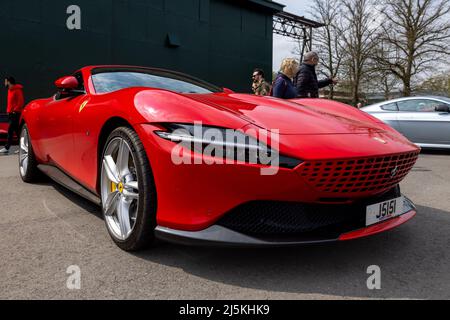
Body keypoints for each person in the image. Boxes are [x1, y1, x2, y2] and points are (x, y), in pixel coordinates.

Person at [0, 77, 25, 154]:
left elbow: (20, 102)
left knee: (10, 130)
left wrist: (14, 111)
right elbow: (10, 103)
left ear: (9, 82)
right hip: (11, 114)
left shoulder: (17, 90)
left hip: (15, 114)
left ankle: (7, 147)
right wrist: (8, 111)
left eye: (5, 82)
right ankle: (23, 148)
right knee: (17, 131)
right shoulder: (9, 90)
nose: (4, 83)